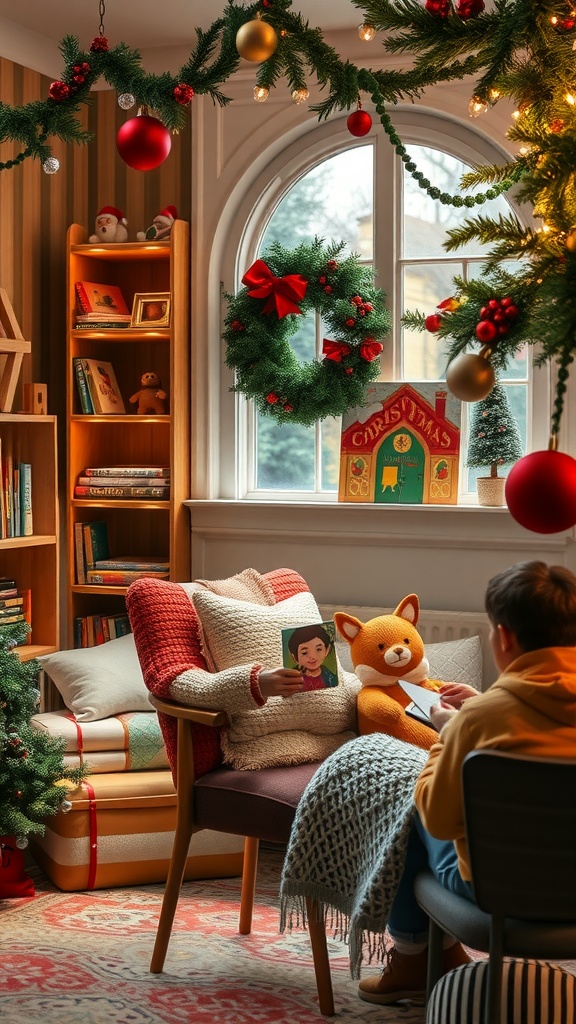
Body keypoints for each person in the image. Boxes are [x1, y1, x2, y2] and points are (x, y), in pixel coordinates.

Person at [359, 560, 576, 1005]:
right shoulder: (486, 713)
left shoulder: (477, 722)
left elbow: (438, 818)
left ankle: (411, 957)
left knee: (407, 807)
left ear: (505, 637)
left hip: (495, 891)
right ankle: (438, 954)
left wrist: (448, 731)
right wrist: (486, 706)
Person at [286, 623, 339, 691]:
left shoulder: (331, 678)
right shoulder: (292, 680)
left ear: (327, 650)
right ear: (295, 658)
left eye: (318, 649)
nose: (312, 657)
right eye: (304, 653)